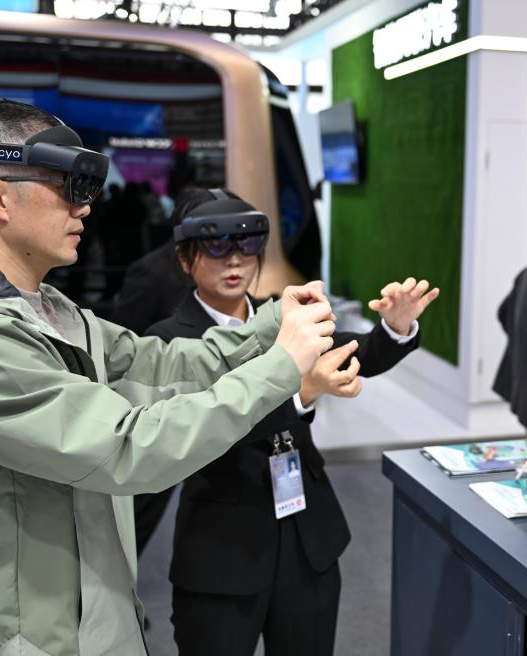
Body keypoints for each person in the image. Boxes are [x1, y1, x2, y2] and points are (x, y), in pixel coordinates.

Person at [0, 99, 336, 656]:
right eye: (66, 186)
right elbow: (129, 448)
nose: (84, 207)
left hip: (93, 611)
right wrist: (281, 366)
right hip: (28, 638)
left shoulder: (52, 311)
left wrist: (271, 320)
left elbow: (163, 365)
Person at [140, 187, 440, 656]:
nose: (234, 259)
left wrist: (395, 327)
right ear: (184, 258)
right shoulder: (166, 344)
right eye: (215, 245)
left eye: (247, 242)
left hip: (307, 537)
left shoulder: (283, 316)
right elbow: (202, 427)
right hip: (222, 550)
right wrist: (302, 393)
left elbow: (355, 353)